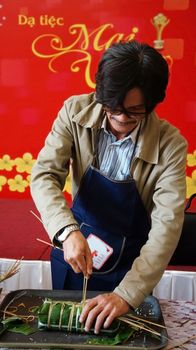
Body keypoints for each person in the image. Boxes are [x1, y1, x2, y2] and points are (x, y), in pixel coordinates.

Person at [30, 40, 187, 334]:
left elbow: (167, 225)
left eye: (133, 111)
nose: (120, 118)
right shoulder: (75, 111)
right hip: (75, 248)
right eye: (112, 107)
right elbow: (44, 175)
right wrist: (67, 231)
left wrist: (126, 295)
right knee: (65, 330)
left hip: (132, 265)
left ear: (151, 104)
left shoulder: (170, 145)